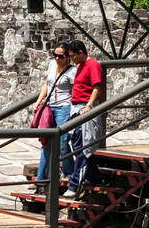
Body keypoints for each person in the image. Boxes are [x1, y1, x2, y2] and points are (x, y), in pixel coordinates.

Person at [31, 43, 76, 192]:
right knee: (46, 142)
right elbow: (46, 84)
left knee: (62, 141)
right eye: (55, 55)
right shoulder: (52, 65)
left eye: (60, 56)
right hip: (49, 107)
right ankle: (40, 177)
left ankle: (70, 173)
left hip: (63, 108)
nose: (57, 58)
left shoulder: (72, 72)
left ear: (67, 57)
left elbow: (75, 90)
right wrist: (38, 102)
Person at [64, 40, 104, 198]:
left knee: (82, 145)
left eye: (73, 56)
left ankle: (74, 184)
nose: (71, 59)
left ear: (81, 52)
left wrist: (89, 105)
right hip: (75, 108)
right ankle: (95, 177)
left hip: (84, 108)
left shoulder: (92, 65)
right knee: (76, 142)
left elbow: (96, 86)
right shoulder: (80, 66)